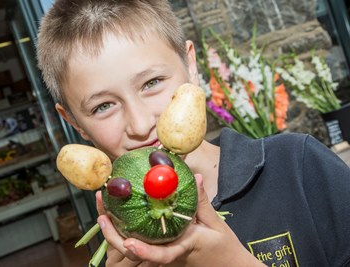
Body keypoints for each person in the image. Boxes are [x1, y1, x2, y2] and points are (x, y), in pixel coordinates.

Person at [36, 0, 350, 266]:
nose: (141, 124)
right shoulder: (122, 244)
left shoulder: (298, 165)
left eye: (151, 83)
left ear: (191, 65)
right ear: (75, 123)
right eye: (103, 106)